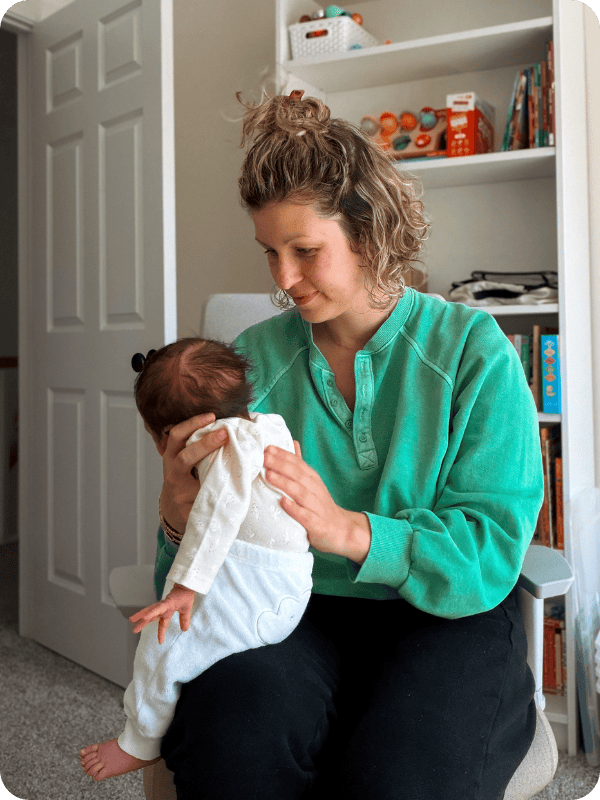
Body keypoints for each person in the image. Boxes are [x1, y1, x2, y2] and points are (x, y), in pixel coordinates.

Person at [147, 91, 544, 800]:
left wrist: (348, 530)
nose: (283, 280)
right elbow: (192, 580)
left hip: (450, 612)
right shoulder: (250, 364)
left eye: (305, 251)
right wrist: (178, 520)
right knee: (230, 739)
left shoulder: (472, 351)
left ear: (369, 231)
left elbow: (489, 548)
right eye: (270, 253)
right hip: (293, 609)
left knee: (402, 778)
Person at [80, 337, 312, 782]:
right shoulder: (271, 426)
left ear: (168, 433)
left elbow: (217, 513)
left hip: (253, 587)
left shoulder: (218, 445)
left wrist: (185, 588)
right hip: (293, 587)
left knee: (164, 643)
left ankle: (140, 740)